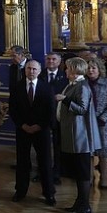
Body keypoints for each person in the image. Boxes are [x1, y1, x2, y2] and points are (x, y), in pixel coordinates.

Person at [56, 57, 100, 213]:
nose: (65, 70)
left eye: (68, 68)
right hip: (72, 134)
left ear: (74, 70)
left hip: (81, 137)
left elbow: (82, 109)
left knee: (82, 173)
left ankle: (85, 207)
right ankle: (79, 203)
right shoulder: (73, 85)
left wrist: (65, 100)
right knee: (77, 172)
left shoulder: (82, 86)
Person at [8, 59, 55, 206]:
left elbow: (50, 111)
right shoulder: (17, 87)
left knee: (45, 162)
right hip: (23, 130)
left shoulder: (46, 87)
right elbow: (13, 109)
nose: (31, 71)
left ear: (39, 71)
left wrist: (39, 126)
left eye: (34, 69)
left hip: (41, 130)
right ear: (25, 70)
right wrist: (22, 125)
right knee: (22, 162)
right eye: (29, 68)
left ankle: (49, 193)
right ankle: (20, 191)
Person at [86, 57, 107, 188]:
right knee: (88, 151)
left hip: (103, 123)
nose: (90, 70)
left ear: (99, 70)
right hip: (86, 123)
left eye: (93, 68)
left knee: (104, 151)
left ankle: (104, 176)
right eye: (88, 68)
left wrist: (103, 118)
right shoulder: (82, 84)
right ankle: (89, 176)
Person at [40, 52, 67, 185]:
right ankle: (42, 172)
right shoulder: (39, 74)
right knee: (41, 146)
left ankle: (57, 172)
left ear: (59, 61)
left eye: (54, 59)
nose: (51, 61)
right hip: (42, 114)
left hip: (58, 115)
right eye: (48, 59)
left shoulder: (65, 76)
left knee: (58, 145)